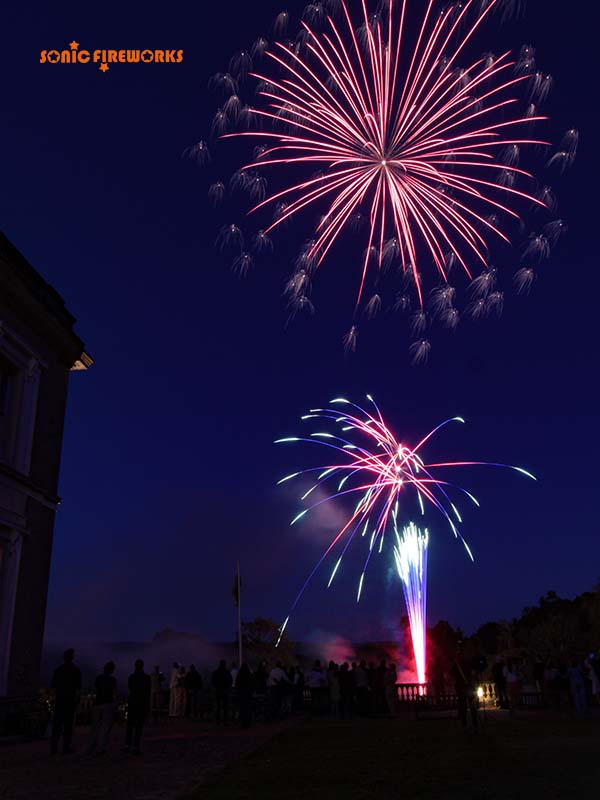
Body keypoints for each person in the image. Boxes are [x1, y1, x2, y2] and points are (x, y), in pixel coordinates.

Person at [50, 648, 82, 755]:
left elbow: (53, 687)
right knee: (68, 726)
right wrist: (76, 701)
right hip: (70, 702)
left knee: (57, 725)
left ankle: (54, 748)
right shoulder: (76, 670)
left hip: (59, 701)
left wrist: (53, 700)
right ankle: (65, 747)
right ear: (72, 657)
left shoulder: (58, 670)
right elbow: (78, 689)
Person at [87, 661, 117, 755]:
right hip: (108, 703)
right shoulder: (113, 680)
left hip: (98, 703)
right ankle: (100, 747)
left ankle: (91, 746)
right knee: (105, 727)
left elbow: (96, 689)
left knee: (95, 726)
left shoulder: (98, 678)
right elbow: (114, 692)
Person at [125, 659, 151, 755]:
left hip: (132, 703)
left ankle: (127, 745)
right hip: (141, 703)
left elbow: (130, 688)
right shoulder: (147, 678)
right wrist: (147, 705)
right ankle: (136, 746)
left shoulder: (132, 677)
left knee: (130, 725)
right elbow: (148, 692)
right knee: (139, 726)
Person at [451, 645, 477, 728]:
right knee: (472, 706)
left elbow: (451, 673)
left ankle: (464, 724)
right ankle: (474, 723)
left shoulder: (457, 665)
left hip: (461, 688)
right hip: (469, 687)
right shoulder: (468, 663)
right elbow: (473, 673)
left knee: (463, 707)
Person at [211, 659, 233, 725]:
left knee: (218, 707)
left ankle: (218, 721)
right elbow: (230, 681)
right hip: (225, 691)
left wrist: (216, 686)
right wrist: (227, 686)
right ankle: (225, 721)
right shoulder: (227, 672)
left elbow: (213, 681)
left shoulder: (216, 672)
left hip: (218, 690)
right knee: (225, 707)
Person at [235, 663, 254, 727]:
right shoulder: (249, 675)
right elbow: (252, 683)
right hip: (248, 693)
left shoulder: (239, 675)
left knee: (242, 708)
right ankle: (248, 721)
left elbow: (236, 684)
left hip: (241, 694)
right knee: (248, 708)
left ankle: (243, 722)